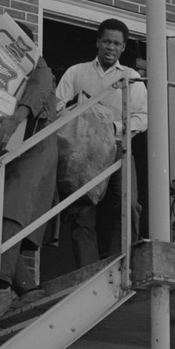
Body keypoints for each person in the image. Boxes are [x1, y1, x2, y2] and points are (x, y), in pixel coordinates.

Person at [0, 23, 58, 320]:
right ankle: (27, 289)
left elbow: (40, 90)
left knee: (10, 216)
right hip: (6, 153)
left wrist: (15, 118)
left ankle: (1, 291)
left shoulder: (39, 68)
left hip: (33, 154)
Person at [55, 18, 147, 267]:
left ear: (123, 47)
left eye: (116, 43)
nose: (110, 47)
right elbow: (57, 108)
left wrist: (111, 127)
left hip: (118, 147)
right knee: (81, 210)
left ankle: (123, 261)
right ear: (98, 41)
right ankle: (88, 268)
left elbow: (143, 117)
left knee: (129, 203)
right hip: (81, 152)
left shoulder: (132, 77)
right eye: (106, 41)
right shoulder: (76, 72)